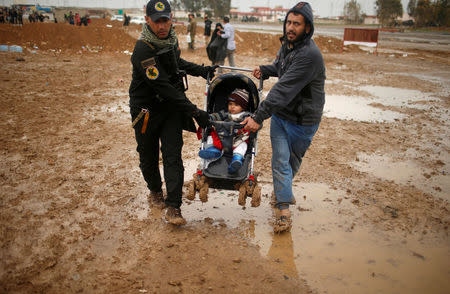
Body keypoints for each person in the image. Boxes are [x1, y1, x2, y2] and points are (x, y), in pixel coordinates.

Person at [129, 0, 217, 225]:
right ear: (147, 20)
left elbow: (176, 63)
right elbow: (162, 85)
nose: (162, 25)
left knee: (172, 156)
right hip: (146, 112)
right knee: (148, 157)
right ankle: (156, 191)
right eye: (157, 21)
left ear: (171, 19)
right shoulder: (142, 50)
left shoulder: (171, 40)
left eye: (165, 20)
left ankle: (174, 207)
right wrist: (196, 112)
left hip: (170, 110)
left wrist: (201, 71)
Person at [242, 2, 326, 233]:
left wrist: (258, 116)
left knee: (292, 162)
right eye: (288, 22)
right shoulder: (287, 46)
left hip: (305, 121)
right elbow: (281, 67)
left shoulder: (309, 55)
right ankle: (283, 211)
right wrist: (266, 69)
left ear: (307, 28)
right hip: (281, 116)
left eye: (296, 24)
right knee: (280, 161)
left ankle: (281, 192)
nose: (290, 27)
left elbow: (284, 88)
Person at [198, 89, 251, 174]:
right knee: (211, 136)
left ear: (243, 107)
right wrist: (210, 117)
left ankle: (237, 159)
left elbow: (254, 122)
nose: (232, 107)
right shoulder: (225, 114)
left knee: (243, 145)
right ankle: (213, 151)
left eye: (236, 105)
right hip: (223, 137)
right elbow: (216, 115)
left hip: (237, 139)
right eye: (230, 104)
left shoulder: (246, 115)